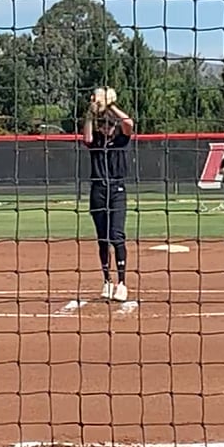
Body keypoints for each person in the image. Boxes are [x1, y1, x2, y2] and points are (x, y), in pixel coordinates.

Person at [83, 87, 136, 301]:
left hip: (117, 190)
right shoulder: (96, 141)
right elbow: (86, 136)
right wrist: (91, 111)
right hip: (98, 190)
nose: (107, 128)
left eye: (110, 125)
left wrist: (111, 105)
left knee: (117, 235)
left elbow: (129, 123)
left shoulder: (121, 140)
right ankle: (107, 281)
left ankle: (122, 283)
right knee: (102, 238)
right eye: (103, 124)